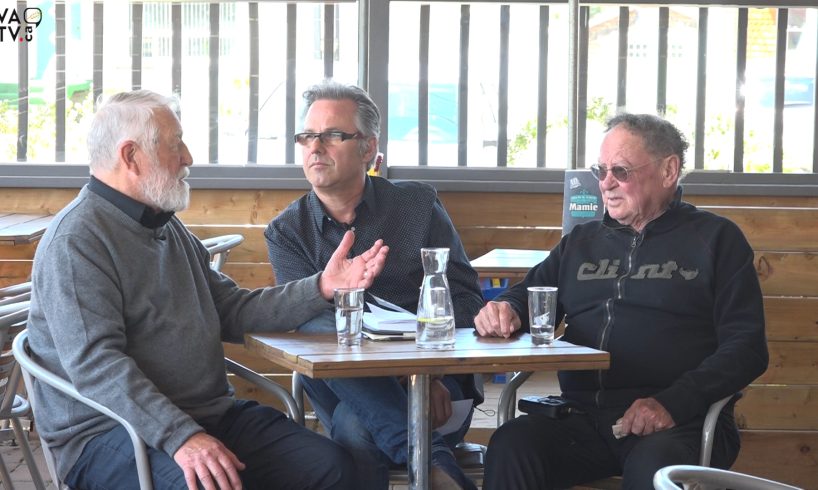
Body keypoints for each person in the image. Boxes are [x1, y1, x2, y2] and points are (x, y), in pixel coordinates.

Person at [27, 90, 390, 490]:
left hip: (206, 416)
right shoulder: (77, 240)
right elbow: (97, 366)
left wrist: (322, 286)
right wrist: (181, 436)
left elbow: (233, 310)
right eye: (175, 144)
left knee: (333, 466)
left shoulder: (165, 225)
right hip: (109, 432)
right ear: (131, 157)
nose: (188, 157)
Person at [474, 113, 769, 489]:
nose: (606, 183)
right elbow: (532, 295)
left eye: (621, 171)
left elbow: (747, 349)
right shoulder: (581, 242)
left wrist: (672, 404)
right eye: (601, 170)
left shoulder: (716, 240)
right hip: (581, 417)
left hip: (680, 421)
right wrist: (507, 309)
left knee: (654, 469)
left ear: (668, 171)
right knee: (512, 444)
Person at [265, 80, 484, 490]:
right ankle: (439, 471)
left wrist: (428, 372)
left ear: (367, 148)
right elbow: (312, 331)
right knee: (312, 323)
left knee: (355, 430)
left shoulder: (417, 205)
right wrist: (400, 379)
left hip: (438, 383)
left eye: (332, 135)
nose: (315, 147)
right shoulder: (287, 232)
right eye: (307, 136)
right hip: (345, 388)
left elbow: (466, 298)